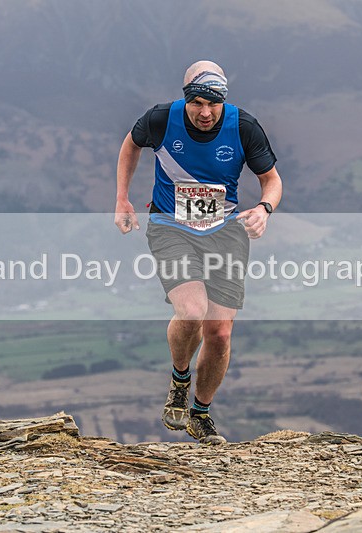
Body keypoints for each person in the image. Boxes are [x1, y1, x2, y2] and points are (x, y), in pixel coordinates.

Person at [114, 60, 282, 445]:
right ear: (185, 97)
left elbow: (271, 181)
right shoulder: (161, 119)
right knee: (191, 310)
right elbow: (131, 144)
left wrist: (264, 209)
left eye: (213, 104)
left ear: (224, 99)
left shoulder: (243, 127)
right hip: (171, 226)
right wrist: (122, 198)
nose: (205, 112)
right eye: (197, 103)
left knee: (219, 333)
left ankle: (201, 413)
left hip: (225, 233)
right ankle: (179, 380)